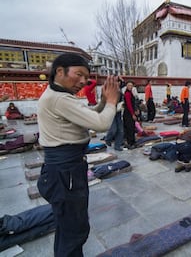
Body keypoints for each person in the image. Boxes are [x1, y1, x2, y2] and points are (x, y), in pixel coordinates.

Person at [36, 53, 119, 256]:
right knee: (75, 230)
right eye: (79, 74)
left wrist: (101, 103)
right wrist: (111, 102)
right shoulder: (58, 99)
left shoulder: (60, 97)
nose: (83, 81)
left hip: (64, 169)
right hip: (65, 172)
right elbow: (100, 123)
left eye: (86, 76)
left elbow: (88, 115)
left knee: (67, 228)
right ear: (59, 71)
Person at [105, 77, 125, 151]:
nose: (118, 83)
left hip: (118, 111)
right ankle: (107, 139)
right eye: (117, 82)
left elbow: (124, 83)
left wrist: (120, 78)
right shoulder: (110, 90)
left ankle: (117, 146)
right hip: (112, 111)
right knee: (114, 129)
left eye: (119, 82)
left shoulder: (120, 89)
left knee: (120, 130)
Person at [123, 81, 138, 149]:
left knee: (132, 128)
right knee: (129, 128)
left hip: (130, 112)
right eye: (129, 85)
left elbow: (133, 104)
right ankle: (130, 143)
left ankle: (132, 141)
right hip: (128, 113)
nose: (130, 87)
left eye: (131, 86)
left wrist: (136, 110)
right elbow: (129, 105)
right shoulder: (127, 94)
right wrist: (132, 114)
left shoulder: (130, 93)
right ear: (127, 86)